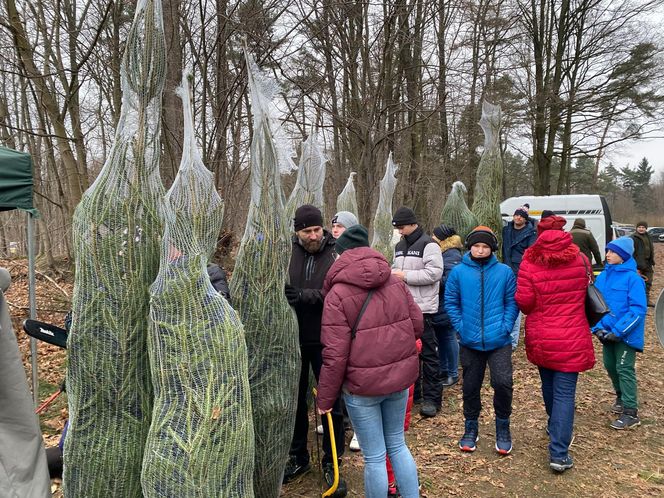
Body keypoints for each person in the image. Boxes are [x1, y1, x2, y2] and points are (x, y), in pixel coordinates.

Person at [317, 225, 422, 498]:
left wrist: (325, 400)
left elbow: (334, 354)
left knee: (374, 456)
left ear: (342, 255)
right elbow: (417, 326)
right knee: (398, 445)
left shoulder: (337, 295)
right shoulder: (396, 282)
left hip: (361, 389)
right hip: (398, 382)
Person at [516, 214, 595, 473]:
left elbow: (524, 303)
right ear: (565, 232)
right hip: (572, 335)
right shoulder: (580, 259)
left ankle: (554, 426)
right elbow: (586, 291)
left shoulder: (529, 260)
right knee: (564, 394)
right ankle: (559, 454)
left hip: (542, 335)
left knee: (549, 386)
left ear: (539, 232)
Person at [283, 204, 346, 496]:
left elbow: (339, 292)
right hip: (293, 339)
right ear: (297, 232)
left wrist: (305, 296)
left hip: (326, 339)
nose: (313, 236)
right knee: (295, 400)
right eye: (306, 231)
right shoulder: (288, 252)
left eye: (316, 229)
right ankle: (298, 457)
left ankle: (331, 460)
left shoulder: (335, 253)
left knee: (329, 402)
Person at [445, 226, 518, 455]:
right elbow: (451, 302)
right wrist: (462, 327)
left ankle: (503, 426)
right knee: (470, 386)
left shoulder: (505, 272)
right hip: (470, 341)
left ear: (492, 248)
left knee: (503, 383)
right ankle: (470, 427)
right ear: (470, 247)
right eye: (476, 246)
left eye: (484, 246)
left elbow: (512, 302)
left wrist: (505, 326)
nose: (480, 250)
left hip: (499, 341)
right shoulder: (458, 272)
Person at [391, 207, 444, 418]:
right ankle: (416, 393)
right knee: (408, 354)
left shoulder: (429, 245)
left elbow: (434, 274)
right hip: (402, 309)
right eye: (397, 228)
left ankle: (433, 398)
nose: (400, 231)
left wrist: (404, 275)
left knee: (429, 355)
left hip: (424, 309)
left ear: (412, 224)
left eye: (401, 227)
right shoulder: (398, 246)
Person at [592, 237, 647, 430]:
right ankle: (621, 397)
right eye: (607, 251)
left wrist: (618, 331)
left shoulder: (634, 279)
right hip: (606, 333)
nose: (607, 255)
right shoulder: (603, 277)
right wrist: (597, 329)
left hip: (625, 335)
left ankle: (631, 412)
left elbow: (638, 310)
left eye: (612, 252)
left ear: (623, 256)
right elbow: (595, 304)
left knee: (624, 368)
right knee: (610, 366)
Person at [431, 223, 463, 387]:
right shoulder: (444, 253)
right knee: (442, 339)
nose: (432, 238)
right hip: (440, 304)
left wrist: (431, 279)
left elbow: (451, 280)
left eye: (435, 236)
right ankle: (444, 370)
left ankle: (452, 373)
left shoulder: (451, 254)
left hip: (447, 304)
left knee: (449, 338)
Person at [502, 205, 537, 349]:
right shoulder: (506, 230)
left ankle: (513, 340)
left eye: (521, 216)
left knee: (515, 304)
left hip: (520, 271)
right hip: (506, 268)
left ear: (525, 219)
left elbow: (531, 253)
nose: (518, 218)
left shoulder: (531, 233)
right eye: (516, 215)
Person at [631, 221, 655, 306]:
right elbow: (632, 254)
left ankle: (646, 300)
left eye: (643, 227)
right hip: (638, 265)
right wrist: (635, 267)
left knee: (648, 282)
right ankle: (637, 301)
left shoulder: (648, 236)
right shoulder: (633, 238)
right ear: (636, 228)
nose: (641, 229)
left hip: (648, 264)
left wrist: (652, 261)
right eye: (639, 227)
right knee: (637, 284)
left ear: (646, 228)